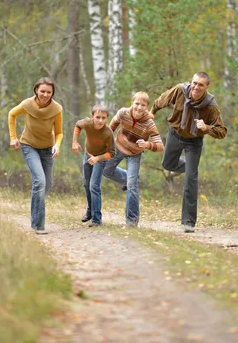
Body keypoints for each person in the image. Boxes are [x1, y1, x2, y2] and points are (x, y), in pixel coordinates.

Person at [150, 72, 227, 233]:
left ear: (207, 87)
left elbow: (222, 131)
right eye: (194, 83)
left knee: (191, 179)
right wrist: (152, 112)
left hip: (194, 141)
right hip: (175, 134)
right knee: (167, 164)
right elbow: (161, 101)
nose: (196, 87)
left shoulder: (210, 105)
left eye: (201, 85)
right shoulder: (179, 91)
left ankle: (188, 221)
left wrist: (207, 128)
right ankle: (188, 165)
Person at [8, 77, 63, 235]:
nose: (45, 94)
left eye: (49, 92)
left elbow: (59, 133)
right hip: (29, 146)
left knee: (47, 184)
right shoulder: (27, 104)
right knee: (40, 182)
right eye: (42, 91)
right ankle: (38, 225)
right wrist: (13, 137)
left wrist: (57, 146)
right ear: (36, 91)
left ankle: (34, 216)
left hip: (47, 149)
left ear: (52, 94)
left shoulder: (57, 109)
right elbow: (12, 115)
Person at [103, 92, 164, 227]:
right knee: (106, 171)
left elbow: (160, 146)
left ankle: (131, 221)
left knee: (132, 187)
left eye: (143, 105)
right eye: (137, 103)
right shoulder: (123, 113)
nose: (139, 107)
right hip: (117, 147)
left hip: (134, 154)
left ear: (147, 107)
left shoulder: (149, 123)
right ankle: (131, 178)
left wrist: (147, 145)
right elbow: (110, 128)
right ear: (132, 103)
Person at [72, 105, 115, 227]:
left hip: (100, 158)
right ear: (92, 117)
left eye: (104, 118)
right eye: (98, 117)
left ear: (107, 118)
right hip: (88, 155)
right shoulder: (87, 123)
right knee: (86, 183)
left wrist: (97, 158)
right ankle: (90, 211)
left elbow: (112, 153)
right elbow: (78, 125)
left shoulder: (108, 133)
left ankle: (97, 219)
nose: (100, 120)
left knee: (93, 186)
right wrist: (74, 142)